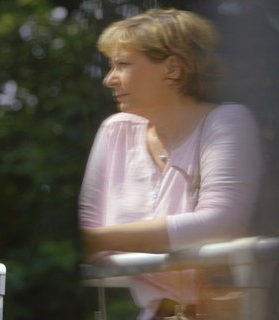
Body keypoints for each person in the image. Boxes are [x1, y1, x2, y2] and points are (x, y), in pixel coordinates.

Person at [78, 8, 262, 320]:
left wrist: (101, 239)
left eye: (122, 64)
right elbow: (85, 237)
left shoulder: (228, 122)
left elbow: (221, 223)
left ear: (173, 68)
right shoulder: (115, 130)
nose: (109, 80)